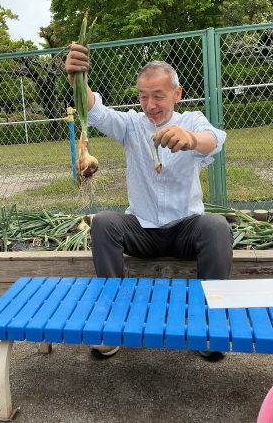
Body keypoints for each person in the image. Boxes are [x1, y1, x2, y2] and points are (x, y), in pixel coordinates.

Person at [65, 43, 233, 360]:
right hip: (142, 230)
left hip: (185, 229)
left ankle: (208, 325)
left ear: (177, 93)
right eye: (143, 97)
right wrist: (78, 79)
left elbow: (214, 140)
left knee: (217, 227)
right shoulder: (132, 125)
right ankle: (113, 322)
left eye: (158, 96)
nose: (150, 105)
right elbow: (95, 110)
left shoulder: (192, 120)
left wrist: (191, 139)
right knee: (104, 223)